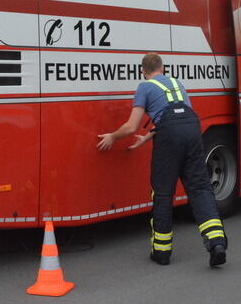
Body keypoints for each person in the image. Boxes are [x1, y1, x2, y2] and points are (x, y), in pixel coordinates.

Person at [97, 53, 227, 267]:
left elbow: (131, 126)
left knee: (163, 193)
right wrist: (147, 138)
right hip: (192, 129)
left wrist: (112, 136)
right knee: (200, 189)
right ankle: (216, 243)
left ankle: (162, 251)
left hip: (169, 136)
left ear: (143, 71)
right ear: (163, 68)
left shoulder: (144, 87)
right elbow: (180, 115)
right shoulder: (177, 83)